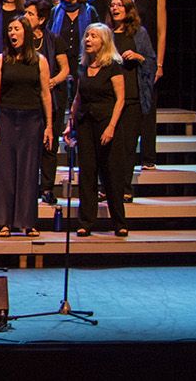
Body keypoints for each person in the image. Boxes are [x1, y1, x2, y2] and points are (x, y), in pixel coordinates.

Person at [0, 14, 53, 237]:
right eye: (10, 29)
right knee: (4, 169)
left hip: (32, 119)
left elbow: (45, 93)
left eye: (17, 29)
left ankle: (27, 221)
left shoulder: (39, 60)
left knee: (29, 169)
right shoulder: (1, 59)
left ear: (27, 33)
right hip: (6, 117)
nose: (12, 33)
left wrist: (49, 125)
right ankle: (3, 221)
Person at [67, 23, 129, 237]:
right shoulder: (83, 67)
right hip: (85, 124)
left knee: (111, 174)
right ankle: (86, 222)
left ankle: (119, 222)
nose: (88, 40)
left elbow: (121, 99)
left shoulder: (113, 66)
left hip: (106, 124)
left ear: (104, 41)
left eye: (93, 36)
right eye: (87, 36)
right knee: (87, 174)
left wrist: (111, 127)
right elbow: (78, 97)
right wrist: (70, 124)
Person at [121, 0, 168, 168]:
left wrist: (159, 63)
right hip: (129, 53)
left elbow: (161, 31)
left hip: (148, 56)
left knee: (149, 106)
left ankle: (149, 158)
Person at [108, 0, 157, 199]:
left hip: (132, 96)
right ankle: (107, 187)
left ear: (128, 10)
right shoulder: (106, 33)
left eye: (120, 5)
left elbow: (151, 63)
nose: (115, 8)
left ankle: (125, 188)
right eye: (113, 5)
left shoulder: (139, 33)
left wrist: (138, 57)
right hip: (109, 98)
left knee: (128, 146)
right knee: (109, 145)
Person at [27, 0, 71, 205]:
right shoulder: (21, 39)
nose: (25, 17)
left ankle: (47, 187)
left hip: (51, 99)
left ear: (42, 19)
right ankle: (29, 186)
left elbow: (65, 69)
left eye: (30, 14)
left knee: (49, 145)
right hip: (28, 99)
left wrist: (51, 81)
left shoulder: (54, 40)